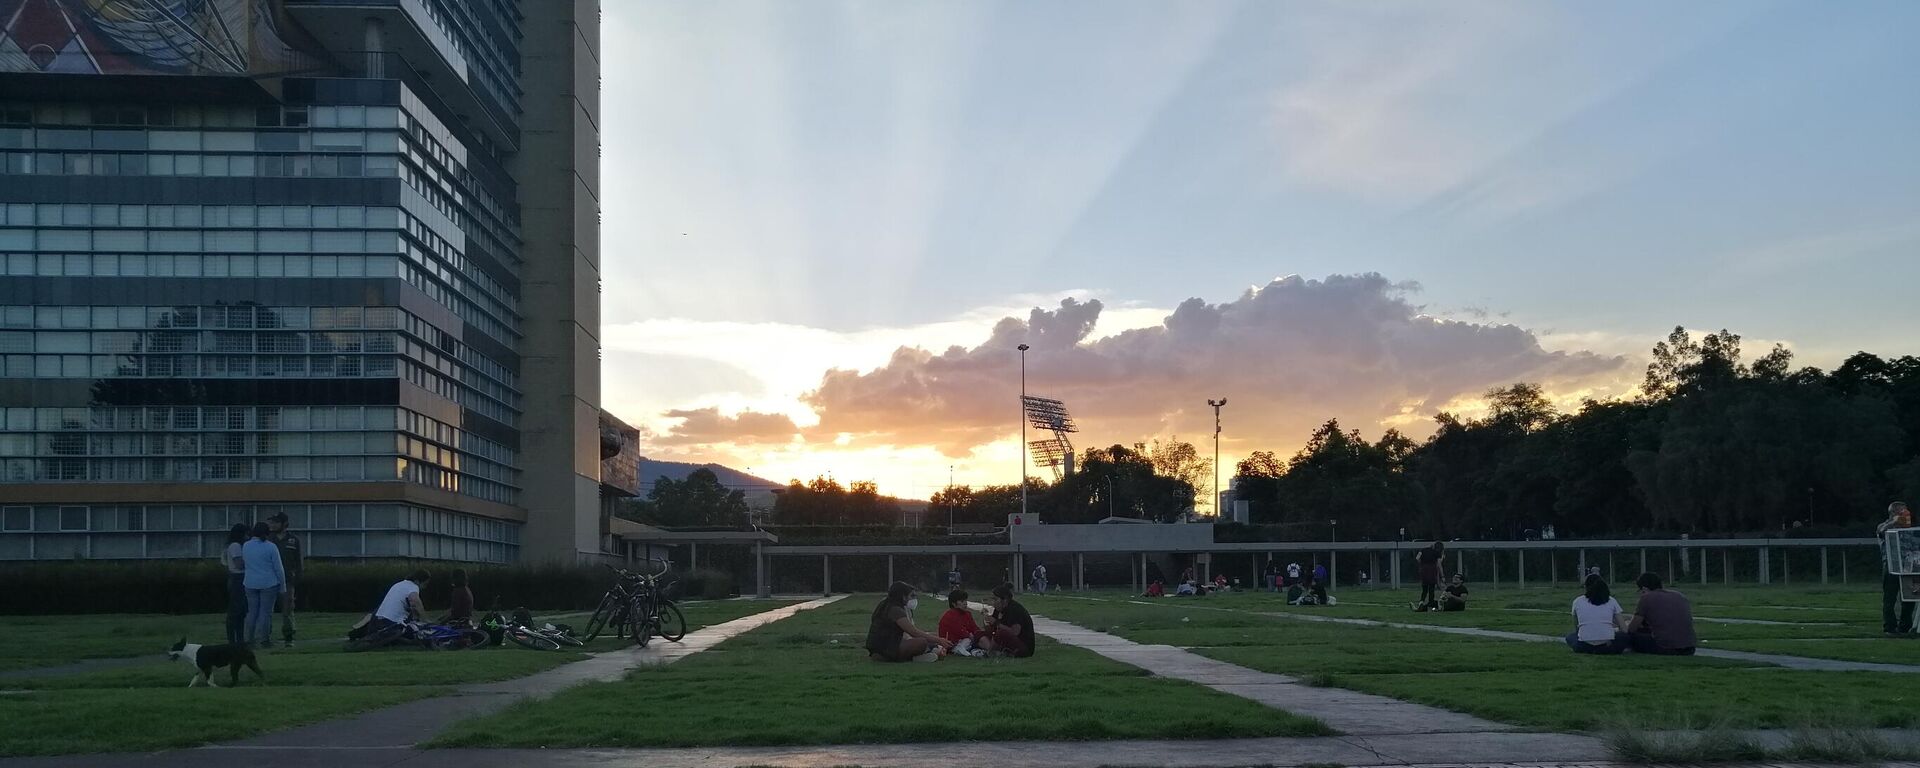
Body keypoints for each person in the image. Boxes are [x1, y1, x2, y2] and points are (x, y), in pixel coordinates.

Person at [865, 581, 950, 662]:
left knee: (926, 640)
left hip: (879, 648)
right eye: (911, 596)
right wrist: (939, 640)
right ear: (903, 596)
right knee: (922, 642)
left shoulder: (884, 604)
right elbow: (913, 632)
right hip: (886, 650)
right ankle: (919, 656)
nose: (911, 599)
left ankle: (928, 652)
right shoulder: (896, 610)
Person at [239, 522, 285, 650]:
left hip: (250, 582)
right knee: (265, 613)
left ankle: (249, 639)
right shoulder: (271, 547)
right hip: (269, 583)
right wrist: (283, 586)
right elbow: (278, 568)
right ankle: (264, 639)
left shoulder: (246, 546)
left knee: (252, 612)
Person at [1626, 572, 1696, 655]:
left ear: (1644, 589)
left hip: (1665, 647)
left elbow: (1631, 628)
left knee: (1626, 637)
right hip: (1689, 648)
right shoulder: (1679, 595)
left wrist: (1626, 624)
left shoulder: (1646, 598)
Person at [1565, 575, 1628, 654]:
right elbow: (1624, 629)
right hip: (1607, 645)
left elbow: (1577, 627)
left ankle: (1589, 649)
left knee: (1570, 636)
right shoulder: (1611, 601)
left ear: (1586, 587)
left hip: (1584, 645)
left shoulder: (1578, 601)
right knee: (1624, 637)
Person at [266, 512, 303, 647]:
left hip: (287, 580)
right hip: (269, 580)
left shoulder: (293, 540)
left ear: (284, 524)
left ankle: (289, 636)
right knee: (267, 610)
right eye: (272, 522)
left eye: (276, 522)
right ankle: (266, 637)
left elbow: (298, 562)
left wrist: (297, 578)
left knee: (287, 610)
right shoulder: (268, 539)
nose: (273, 525)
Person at [1880, 502, 1916, 636]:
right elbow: (1881, 531)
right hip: (1891, 567)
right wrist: (1893, 522)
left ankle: (1905, 626)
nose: (1905, 514)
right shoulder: (1885, 527)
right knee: (1890, 599)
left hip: (1908, 567)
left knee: (1910, 597)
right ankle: (1890, 627)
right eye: (1901, 512)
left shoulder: (1908, 529)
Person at [937, 589, 993, 656]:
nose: (965, 603)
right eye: (962, 601)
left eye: (966, 600)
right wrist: (971, 635)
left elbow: (974, 628)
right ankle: (987, 650)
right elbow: (959, 630)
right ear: (954, 604)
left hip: (966, 640)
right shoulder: (950, 615)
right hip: (953, 642)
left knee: (980, 637)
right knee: (972, 639)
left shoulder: (967, 614)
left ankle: (979, 651)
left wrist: (978, 633)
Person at [219, 523, 249, 646]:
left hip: (238, 578)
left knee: (241, 611)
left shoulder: (233, 546)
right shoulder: (236, 546)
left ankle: (239, 638)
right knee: (236, 610)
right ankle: (234, 639)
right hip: (238, 578)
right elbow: (239, 564)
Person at [986, 582, 1035, 658]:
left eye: (995, 599)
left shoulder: (1015, 610)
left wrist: (996, 623)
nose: (993, 602)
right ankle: (996, 651)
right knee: (980, 634)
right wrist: (987, 621)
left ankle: (990, 653)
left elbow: (1015, 632)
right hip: (1008, 642)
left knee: (1001, 633)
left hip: (1023, 646)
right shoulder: (998, 609)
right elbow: (992, 629)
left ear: (1004, 600)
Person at [1412, 542, 1445, 611]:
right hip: (1432, 569)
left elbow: (1417, 558)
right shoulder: (1436, 552)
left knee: (1424, 588)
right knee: (1431, 588)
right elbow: (1439, 564)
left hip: (1423, 569)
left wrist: (1422, 563)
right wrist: (1442, 576)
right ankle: (1430, 603)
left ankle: (1421, 601)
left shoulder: (1423, 550)